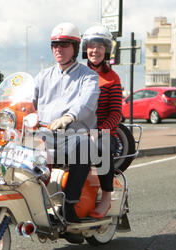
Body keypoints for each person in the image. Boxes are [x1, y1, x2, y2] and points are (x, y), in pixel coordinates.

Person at [33, 22, 100, 223]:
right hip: (43, 133)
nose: (58, 49)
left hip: (73, 134)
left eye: (64, 44)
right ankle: (32, 201)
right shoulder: (43, 75)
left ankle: (70, 205)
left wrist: (69, 117)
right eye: (54, 45)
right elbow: (29, 99)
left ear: (75, 48)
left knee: (84, 145)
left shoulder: (88, 76)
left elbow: (86, 102)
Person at [82, 25, 123, 219]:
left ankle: (106, 196)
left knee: (101, 146)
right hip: (78, 131)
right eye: (91, 45)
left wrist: (99, 130)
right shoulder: (77, 74)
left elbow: (116, 114)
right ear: (85, 48)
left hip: (104, 133)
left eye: (100, 46)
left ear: (106, 50)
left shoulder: (112, 78)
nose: (95, 50)